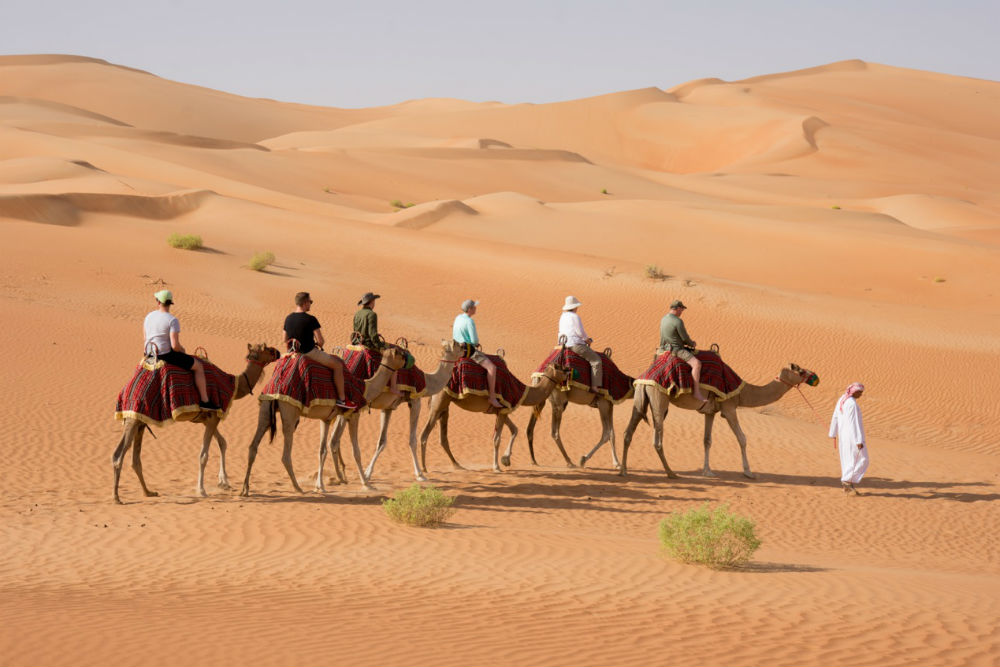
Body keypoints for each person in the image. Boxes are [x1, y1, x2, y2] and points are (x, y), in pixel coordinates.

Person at [143, 290, 220, 410]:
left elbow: (145, 337)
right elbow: (175, 346)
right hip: (165, 355)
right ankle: (205, 401)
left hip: (149, 353)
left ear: (158, 302)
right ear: (170, 303)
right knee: (198, 366)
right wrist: (182, 349)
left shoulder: (149, 316)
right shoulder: (172, 320)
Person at [283, 291, 355, 409]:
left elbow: (284, 339)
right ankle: (342, 399)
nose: (311, 304)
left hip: (292, 353)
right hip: (309, 353)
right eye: (310, 302)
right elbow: (321, 341)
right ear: (305, 303)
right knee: (337, 366)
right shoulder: (311, 319)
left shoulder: (288, 318)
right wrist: (316, 344)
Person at [453, 299, 503, 409]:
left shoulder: (458, 317)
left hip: (456, 349)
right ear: (470, 309)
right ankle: (492, 397)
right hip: (468, 351)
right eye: (474, 307)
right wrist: (475, 343)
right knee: (492, 368)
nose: (476, 308)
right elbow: (474, 341)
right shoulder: (469, 321)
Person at [658, 299, 708, 404]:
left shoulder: (663, 319)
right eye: (681, 310)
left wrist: (661, 348)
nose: (682, 312)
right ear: (678, 308)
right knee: (697, 364)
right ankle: (697, 392)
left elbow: (662, 336)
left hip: (664, 348)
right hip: (677, 350)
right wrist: (692, 343)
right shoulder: (677, 321)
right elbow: (685, 338)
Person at [353, 291, 399, 395]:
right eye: (374, 301)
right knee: (393, 358)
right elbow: (373, 335)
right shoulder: (372, 314)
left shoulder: (357, 314)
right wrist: (381, 347)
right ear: (372, 302)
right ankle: (393, 387)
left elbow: (356, 330)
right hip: (368, 345)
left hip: (357, 343)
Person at [828, 382, 869, 494]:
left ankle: (847, 484)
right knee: (863, 460)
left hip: (844, 436)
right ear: (854, 392)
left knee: (848, 460)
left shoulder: (842, 399)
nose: (860, 395)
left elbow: (835, 416)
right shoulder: (852, 404)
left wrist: (833, 432)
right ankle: (847, 481)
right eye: (859, 392)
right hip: (852, 437)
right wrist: (858, 440)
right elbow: (854, 423)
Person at [558, 296, 602, 394]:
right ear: (574, 307)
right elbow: (580, 332)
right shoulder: (575, 317)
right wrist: (587, 340)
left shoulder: (562, 316)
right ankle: (595, 387)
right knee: (596, 360)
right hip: (574, 344)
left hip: (563, 344)